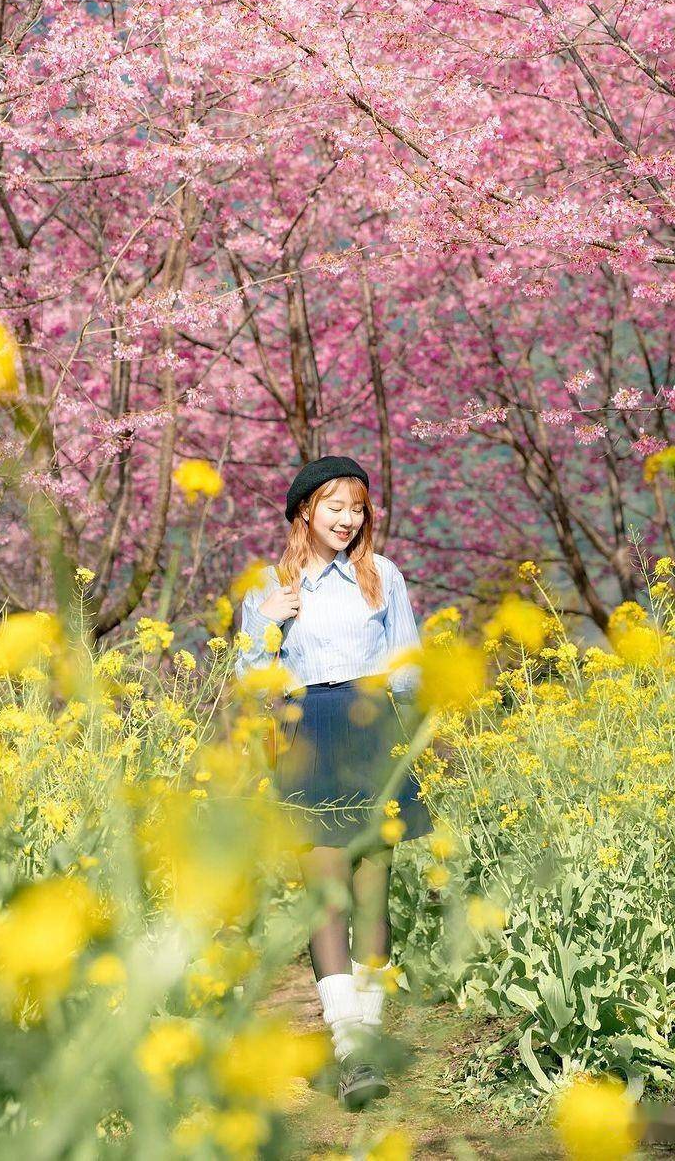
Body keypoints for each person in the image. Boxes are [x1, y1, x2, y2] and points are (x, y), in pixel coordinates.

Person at [233, 454, 431, 1112]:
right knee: (328, 894)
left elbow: (408, 668)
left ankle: (366, 1046)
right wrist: (269, 618)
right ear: (305, 512)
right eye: (334, 507)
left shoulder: (385, 577)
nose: (348, 519)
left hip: (375, 727)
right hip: (307, 729)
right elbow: (248, 676)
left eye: (357, 507)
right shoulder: (269, 583)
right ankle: (347, 1048)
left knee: (373, 888)